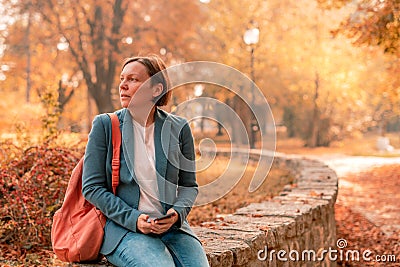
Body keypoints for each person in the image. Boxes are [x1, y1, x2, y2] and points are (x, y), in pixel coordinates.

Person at [82, 55, 209, 266]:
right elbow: (92, 187)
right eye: (122, 79)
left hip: (172, 229)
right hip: (125, 229)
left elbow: (189, 186)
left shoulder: (179, 128)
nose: (123, 85)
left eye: (133, 79)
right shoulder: (105, 125)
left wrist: (177, 214)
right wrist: (134, 219)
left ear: (156, 89)